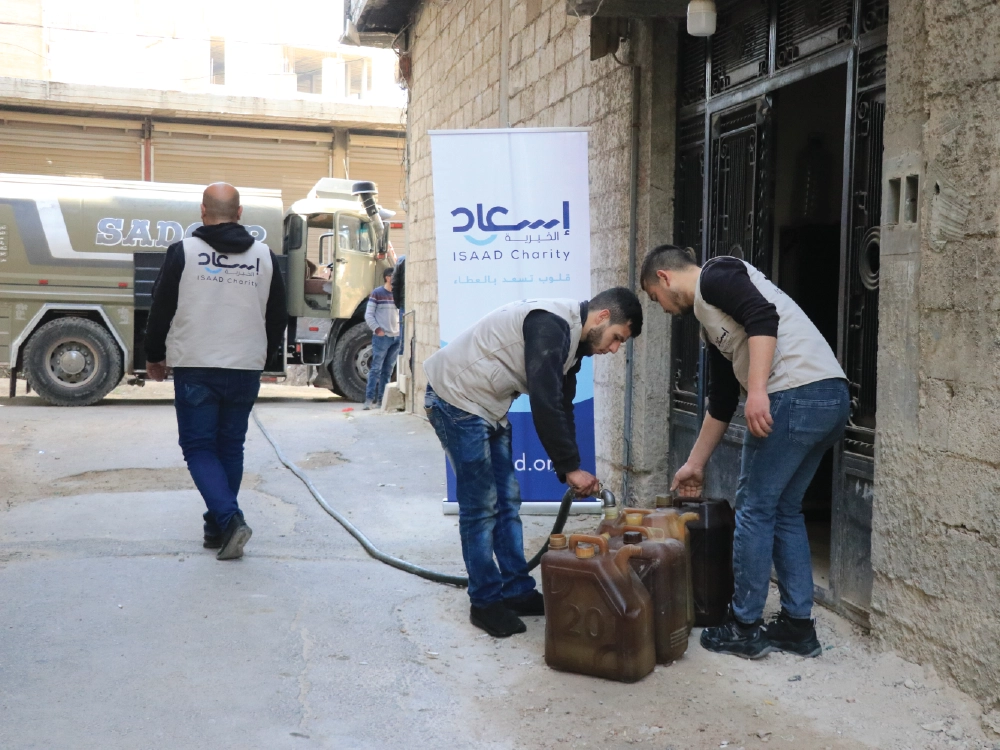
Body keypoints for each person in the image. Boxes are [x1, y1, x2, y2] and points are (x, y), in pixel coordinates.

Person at [640, 245, 848, 659]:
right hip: (829, 397)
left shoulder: (717, 274)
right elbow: (721, 401)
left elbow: (762, 316)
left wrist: (757, 391)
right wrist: (694, 464)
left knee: (753, 508)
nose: (660, 307)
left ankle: (745, 627)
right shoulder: (709, 319)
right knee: (783, 509)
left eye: (654, 297)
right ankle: (798, 627)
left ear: (664, 277)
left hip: (794, 395)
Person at [423, 288, 644, 638]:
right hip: (456, 399)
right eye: (617, 337)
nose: (615, 349)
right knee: (480, 507)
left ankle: (516, 591)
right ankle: (484, 602)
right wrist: (570, 468)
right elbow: (544, 402)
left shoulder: (573, 345)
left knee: (507, 502)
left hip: (488, 406)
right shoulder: (551, 325)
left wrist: (569, 467)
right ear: (602, 317)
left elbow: (562, 405)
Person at [145, 183, 287, 561]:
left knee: (199, 447)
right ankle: (217, 529)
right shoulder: (265, 257)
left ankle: (230, 518)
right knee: (230, 447)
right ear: (239, 213)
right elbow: (277, 315)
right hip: (244, 366)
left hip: (196, 364)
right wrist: (263, 355)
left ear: (202, 211)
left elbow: (161, 307)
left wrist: (154, 355)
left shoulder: (184, 252)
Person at [363, 267, 400, 410]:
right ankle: (369, 400)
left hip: (396, 338)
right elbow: (368, 315)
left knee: (388, 371)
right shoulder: (377, 293)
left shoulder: (398, 294)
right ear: (387, 278)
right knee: (376, 369)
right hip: (382, 338)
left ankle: (381, 401)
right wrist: (377, 330)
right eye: (393, 276)